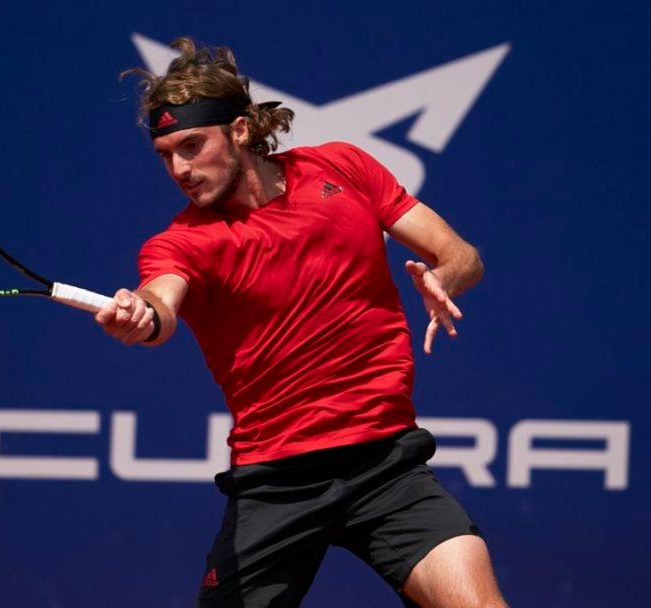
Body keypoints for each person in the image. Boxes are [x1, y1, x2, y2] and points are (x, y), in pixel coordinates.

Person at [95, 37, 506, 608]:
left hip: (386, 467)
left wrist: (449, 276)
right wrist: (141, 316)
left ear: (240, 131)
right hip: (275, 484)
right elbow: (160, 304)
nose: (180, 169)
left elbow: (461, 254)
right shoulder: (180, 243)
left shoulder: (345, 167)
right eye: (165, 155)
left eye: (192, 145)